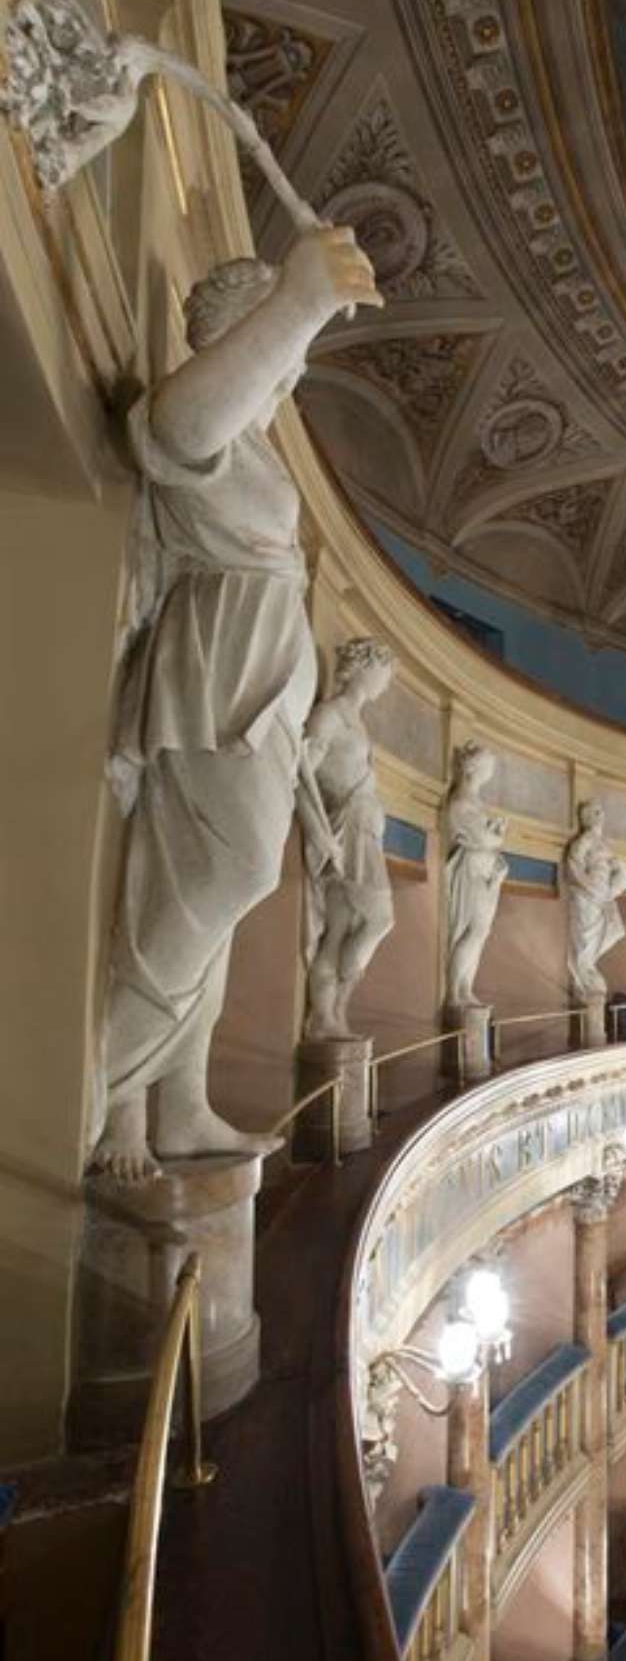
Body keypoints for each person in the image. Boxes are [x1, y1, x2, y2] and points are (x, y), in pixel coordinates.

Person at [91, 226, 382, 1180]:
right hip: (215, 676)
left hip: (258, 684)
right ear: (243, 333)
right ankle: (109, 1090)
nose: (294, 364)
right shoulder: (206, 415)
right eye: (283, 342)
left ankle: (178, 1106)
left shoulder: (256, 446)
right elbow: (172, 430)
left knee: (214, 909)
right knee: (215, 881)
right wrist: (297, 302)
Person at [299, 638, 396, 1041]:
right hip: (346, 827)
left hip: (365, 829)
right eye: (383, 674)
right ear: (362, 668)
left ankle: (332, 1015)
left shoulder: (357, 721)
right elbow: (301, 773)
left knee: (340, 928)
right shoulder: (330, 715)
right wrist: (319, 833)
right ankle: (328, 1012)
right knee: (379, 917)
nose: (385, 684)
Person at [444, 740, 509, 1009]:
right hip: (470, 872)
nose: (490, 771)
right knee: (472, 931)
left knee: (480, 933)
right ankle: (454, 993)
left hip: (485, 874)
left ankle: (465, 988)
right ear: (473, 769)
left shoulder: (475, 803)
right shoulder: (460, 802)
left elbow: (487, 839)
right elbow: (483, 839)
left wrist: (495, 836)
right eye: (487, 766)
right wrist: (496, 835)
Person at [563, 801, 626, 1001]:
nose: (601, 816)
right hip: (588, 894)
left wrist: (621, 870)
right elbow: (573, 863)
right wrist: (588, 887)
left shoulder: (605, 845)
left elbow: (614, 869)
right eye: (596, 813)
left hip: (603, 894)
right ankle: (584, 969)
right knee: (586, 936)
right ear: (586, 818)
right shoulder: (585, 839)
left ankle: (587, 965)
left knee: (614, 930)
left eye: (601, 812)